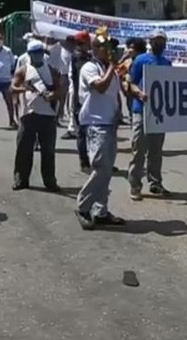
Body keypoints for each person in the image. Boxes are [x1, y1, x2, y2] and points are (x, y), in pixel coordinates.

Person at [75, 34, 129, 229]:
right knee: (100, 168)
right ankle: (83, 206)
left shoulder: (110, 70)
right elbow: (100, 87)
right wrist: (112, 68)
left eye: (112, 48)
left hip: (109, 123)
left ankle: (100, 210)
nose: (111, 51)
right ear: (96, 49)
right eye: (106, 47)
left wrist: (119, 112)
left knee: (106, 171)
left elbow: (115, 94)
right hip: (95, 124)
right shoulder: (90, 68)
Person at [11, 40, 64, 191]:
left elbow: (60, 90)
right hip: (28, 115)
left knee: (48, 150)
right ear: (30, 55)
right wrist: (25, 89)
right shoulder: (23, 70)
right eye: (35, 53)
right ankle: (21, 179)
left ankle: (49, 180)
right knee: (24, 149)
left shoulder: (52, 70)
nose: (38, 56)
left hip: (47, 115)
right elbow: (13, 87)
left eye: (40, 52)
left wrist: (53, 95)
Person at [127, 31, 171, 199]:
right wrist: (139, 93)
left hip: (159, 112)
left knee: (156, 151)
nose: (159, 43)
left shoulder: (167, 63)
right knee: (139, 149)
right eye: (156, 41)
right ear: (150, 42)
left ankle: (155, 182)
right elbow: (131, 83)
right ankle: (135, 185)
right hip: (141, 110)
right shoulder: (140, 60)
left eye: (162, 41)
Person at [67, 31, 93, 171]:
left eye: (81, 43)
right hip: (80, 98)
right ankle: (84, 162)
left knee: (93, 132)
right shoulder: (78, 57)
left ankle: (96, 160)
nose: (79, 46)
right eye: (78, 43)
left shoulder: (88, 56)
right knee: (82, 132)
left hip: (89, 97)